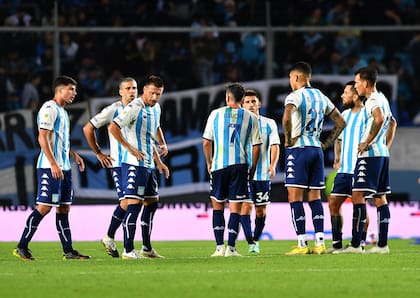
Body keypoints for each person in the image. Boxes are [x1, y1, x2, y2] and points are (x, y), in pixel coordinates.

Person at [13, 76, 90, 260]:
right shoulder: (49, 108)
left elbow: (59, 140)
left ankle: (69, 251)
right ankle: (21, 246)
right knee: (44, 207)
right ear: (60, 90)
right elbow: (42, 137)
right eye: (71, 89)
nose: (74, 93)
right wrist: (54, 163)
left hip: (64, 168)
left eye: (75, 89)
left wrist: (73, 154)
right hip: (50, 167)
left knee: (63, 209)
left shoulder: (62, 112)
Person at [282, 61, 346, 255]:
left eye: (291, 79)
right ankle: (320, 243)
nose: (291, 82)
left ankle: (302, 245)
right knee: (315, 196)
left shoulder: (295, 96)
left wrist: (288, 139)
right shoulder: (321, 96)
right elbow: (341, 122)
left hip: (299, 149)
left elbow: (286, 118)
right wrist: (325, 144)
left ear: (297, 77)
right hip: (316, 150)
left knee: (295, 196)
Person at [336, 67, 397, 254]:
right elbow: (392, 122)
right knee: (380, 198)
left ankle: (356, 245)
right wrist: (384, 145)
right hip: (381, 154)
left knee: (357, 196)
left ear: (365, 83)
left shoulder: (372, 100)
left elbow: (379, 119)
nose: (355, 85)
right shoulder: (383, 99)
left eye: (356, 82)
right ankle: (382, 245)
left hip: (370, 156)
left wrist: (367, 141)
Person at [108, 75, 169, 259]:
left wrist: (162, 150)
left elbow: (155, 129)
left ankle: (147, 248)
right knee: (134, 206)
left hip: (149, 165)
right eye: (152, 93)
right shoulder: (134, 108)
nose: (155, 97)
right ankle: (128, 250)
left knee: (152, 204)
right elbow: (113, 127)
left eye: (158, 94)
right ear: (144, 91)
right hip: (134, 164)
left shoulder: (156, 107)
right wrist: (130, 148)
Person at [203, 82, 262, 257]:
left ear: (228, 97)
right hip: (240, 166)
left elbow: (206, 141)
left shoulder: (215, 114)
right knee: (236, 208)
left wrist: (209, 162)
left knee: (218, 206)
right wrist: (252, 169)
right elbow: (257, 146)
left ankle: (219, 247)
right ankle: (231, 248)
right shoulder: (251, 118)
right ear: (243, 99)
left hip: (219, 165)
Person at [83, 77, 137, 257]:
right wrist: (98, 152)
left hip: (139, 163)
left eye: (134, 88)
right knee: (127, 202)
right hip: (120, 164)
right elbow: (88, 128)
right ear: (121, 91)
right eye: (128, 88)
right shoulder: (113, 110)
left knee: (135, 202)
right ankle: (120, 243)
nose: (132, 91)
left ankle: (112, 237)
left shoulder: (140, 108)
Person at [327, 81, 369, 253]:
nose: (342, 96)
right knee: (333, 203)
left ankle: (358, 243)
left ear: (356, 95)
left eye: (346, 93)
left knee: (360, 204)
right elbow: (338, 138)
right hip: (344, 169)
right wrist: (337, 157)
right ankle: (337, 244)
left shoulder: (367, 114)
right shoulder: (344, 114)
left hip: (359, 167)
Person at [240, 89, 280, 254]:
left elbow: (275, 145)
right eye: (247, 102)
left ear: (259, 104)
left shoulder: (269, 123)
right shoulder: (239, 124)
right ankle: (250, 242)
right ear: (242, 105)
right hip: (243, 174)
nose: (251, 105)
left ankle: (256, 240)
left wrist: (273, 165)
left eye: (253, 101)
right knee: (245, 207)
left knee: (260, 210)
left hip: (262, 174)